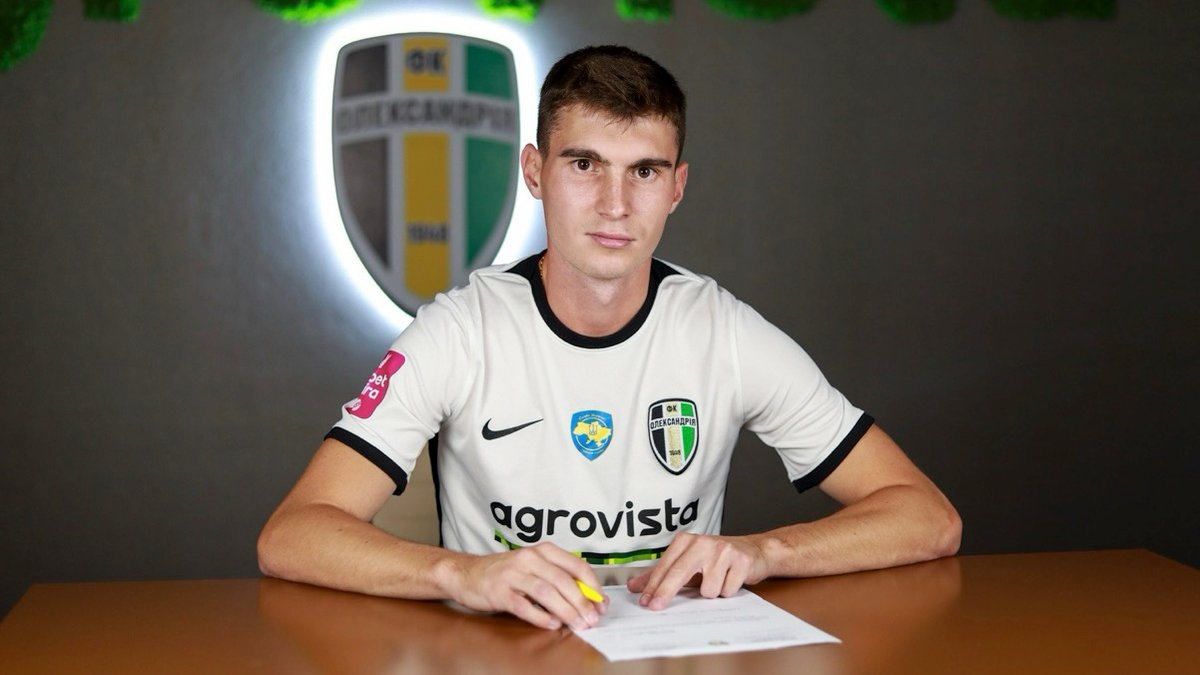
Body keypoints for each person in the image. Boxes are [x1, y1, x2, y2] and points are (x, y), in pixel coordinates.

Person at [257, 45, 961, 632]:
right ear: (535, 172)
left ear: (676, 187)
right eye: (584, 164)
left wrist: (764, 552)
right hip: (503, 653)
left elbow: (928, 518)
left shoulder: (724, 332)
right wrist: (462, 573)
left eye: (644, 171)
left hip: (671, 652)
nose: (615, 204)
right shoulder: (460, 330)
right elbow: (292, 533)